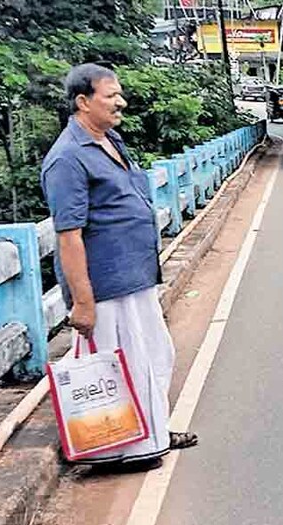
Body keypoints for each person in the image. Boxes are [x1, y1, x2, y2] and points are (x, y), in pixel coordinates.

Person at [42, 63, 198, 470]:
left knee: (153, 356)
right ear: (83, 102)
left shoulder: (109, 139)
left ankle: (154, 431)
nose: (120, 102)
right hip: (106, 284)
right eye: (111, 96)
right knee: (117, 366)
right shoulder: (67, 159)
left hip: (136, 276)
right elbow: (69, 236)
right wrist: (83, 303)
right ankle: (119, 450)